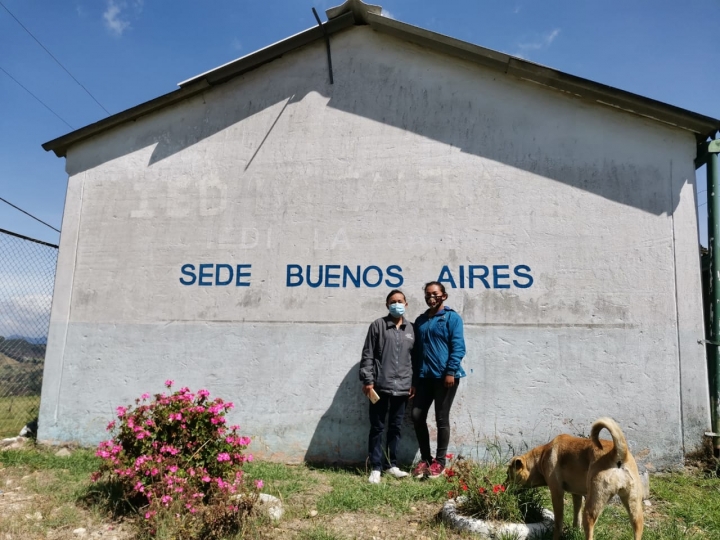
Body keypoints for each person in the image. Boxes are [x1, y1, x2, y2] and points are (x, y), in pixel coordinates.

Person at [359, 289, 416, 484]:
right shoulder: (378, 326)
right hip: (380, 386)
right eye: (393, 301)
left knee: (396, 427)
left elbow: (415, 359)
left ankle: (392, 465)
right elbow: (368, 354)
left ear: (406, 304)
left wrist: (413, 383)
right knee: (377, 427)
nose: (397, 304)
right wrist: (368, 380)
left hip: (403, 387)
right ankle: (375, 467)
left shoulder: (412, 329)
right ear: (387, 305)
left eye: (400, 301)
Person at [411, 281, 466, 478]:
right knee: (417, 416)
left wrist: (450, 371)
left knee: (441, 418)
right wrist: (415, 381)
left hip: (445, 378)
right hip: (425, 377)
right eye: (427, 294)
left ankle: (439, 462)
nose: (431, 297)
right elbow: (417, 353)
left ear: (444, 296)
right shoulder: (420, 321)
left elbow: (458, 346)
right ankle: (425, 459)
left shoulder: (452, 318)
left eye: (435, 293)